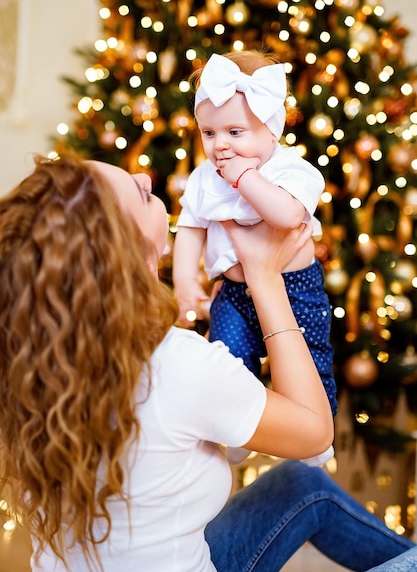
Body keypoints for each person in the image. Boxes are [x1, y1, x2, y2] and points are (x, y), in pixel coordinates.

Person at [0, 152, 413, 572]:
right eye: (143, 194)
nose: (146, 175)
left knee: (301, 482)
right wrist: (265, 277)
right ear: (137, 259)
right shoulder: (173, 365)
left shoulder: (23, 359)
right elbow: (314, 432)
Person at [173, 50, 336, 465]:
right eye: (209, 134)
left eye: (234, 131)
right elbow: (191, 226)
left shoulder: (291, 171)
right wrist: (185, 282)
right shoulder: (204, 178)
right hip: (232, 289)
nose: (221, 146)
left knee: (310, 355)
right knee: (227, 354)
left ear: (271, 130)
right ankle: (241, 426)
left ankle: (320, 430)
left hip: (296, 288)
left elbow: (286, 215)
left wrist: (246, 178)